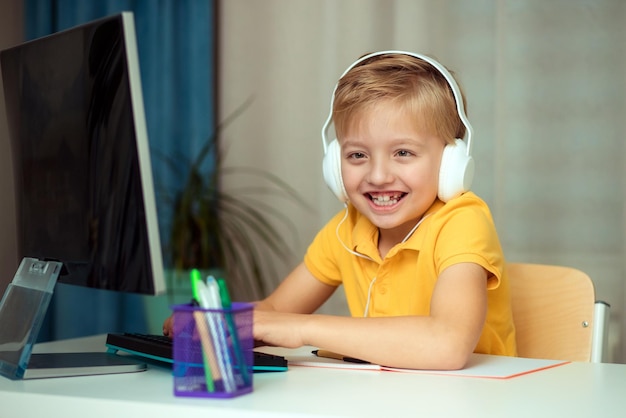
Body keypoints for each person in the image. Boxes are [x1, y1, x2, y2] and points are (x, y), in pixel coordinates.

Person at [164, 51, 517, 370]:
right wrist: (213, 321)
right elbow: (275, 312)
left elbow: (448, 345)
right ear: (335, 163)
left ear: (451, 163)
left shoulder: (462, 221)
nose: (378, 176)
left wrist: (302, 328)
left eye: (403, 153)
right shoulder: (346, 230)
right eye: (357, 155)